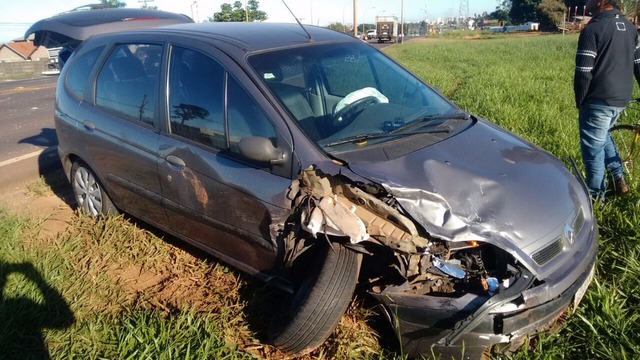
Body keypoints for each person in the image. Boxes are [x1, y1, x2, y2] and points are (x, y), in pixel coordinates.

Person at [574, 0, 640, 200]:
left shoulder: (593, 29)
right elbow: (639, 66)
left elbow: (584, 72)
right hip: (621, 99)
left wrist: (581, 100)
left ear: (601, 1)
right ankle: (618, 179)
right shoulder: (630, 28)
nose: (587, 3)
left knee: (592, 150)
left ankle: (595, 196)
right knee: (603, 135)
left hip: (598, 99)